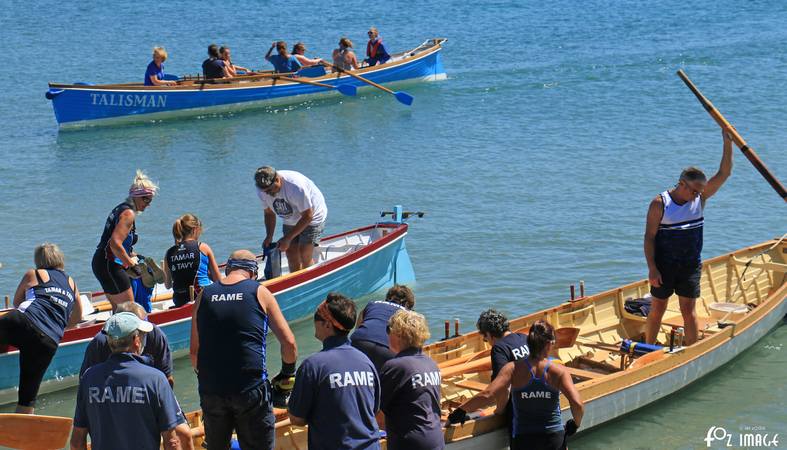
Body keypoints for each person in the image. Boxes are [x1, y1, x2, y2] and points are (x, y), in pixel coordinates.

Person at [190, 250, 298, 450]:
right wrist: (287, 374)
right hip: (250, 389)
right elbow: (289, 343)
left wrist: (209, 381)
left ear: (228, 269)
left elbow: (194, 352)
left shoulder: (204, 295)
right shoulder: (259, 291)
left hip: (212, 391)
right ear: (253, 273)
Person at [645, 130, 733, 346]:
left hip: (690, 265)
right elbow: (649, 237)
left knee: (688, 310)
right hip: (664, 266)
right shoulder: (660, 203)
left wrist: (727, 141)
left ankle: (690, 351)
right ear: (682, 184)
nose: (697, 195)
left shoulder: (699, 199)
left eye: (700, 191)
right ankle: (647, 348)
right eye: (694, 190)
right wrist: (652, 268)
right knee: (658, 309)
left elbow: (724, 173)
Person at [448, 320, 584, 450]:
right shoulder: (559, 372)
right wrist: (575, 424)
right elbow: (577, 404)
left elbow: (488, 394)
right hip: (553, 438)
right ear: (550, 344)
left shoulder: (512, 369)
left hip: (523, 439)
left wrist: (460, 411)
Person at [70, 312, 193, 450]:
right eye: (142, 335)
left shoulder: (89, 378)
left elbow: (77, 442)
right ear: (136, 340)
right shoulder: (155, 379)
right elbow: (172, 442)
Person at [288, 293, 381, 450]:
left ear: (327, 325)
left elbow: (297, 419)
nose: (314, 322)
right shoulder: (366, 362)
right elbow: (374, 409)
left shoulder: (312, 366)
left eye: (316, 318)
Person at [0, 243, 81, 413]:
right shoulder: (71, 283)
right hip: (49, 340)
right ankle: (23, 431)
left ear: (39, 261)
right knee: (27, 398)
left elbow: (17, 302)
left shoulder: (34, 274)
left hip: (23, 321)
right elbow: (75, 319)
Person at [91, 170, 158, 311]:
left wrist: (131, 255)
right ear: (136, 197)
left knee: (119, 311)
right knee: (130, 312)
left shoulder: (121, 209)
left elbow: (116, 242)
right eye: (146, 199)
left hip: (102, 263)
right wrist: (130, 266)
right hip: (110, 265)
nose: (148, 204)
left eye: (150, 200)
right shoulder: (128, 214)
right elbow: (115, 244)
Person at [379, 310, 443, 450]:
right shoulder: (431, 364)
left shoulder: (396, 366)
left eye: (389, 330)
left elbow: (374, 407)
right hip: (435, 439)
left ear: (398, 334)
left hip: (410, 443)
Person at [79, 301, 173, 386]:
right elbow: (85, 382)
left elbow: (167, 379)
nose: (143, 335)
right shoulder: (99, 343)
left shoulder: (156, 335)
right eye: (139, 331)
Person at [255, 166, 328, 272]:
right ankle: (296, 280)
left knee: (304, 254)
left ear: (277, 179)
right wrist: (269, 236)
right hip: (290, 216)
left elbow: (308, 216)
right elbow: (269, 213)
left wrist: (287, 238)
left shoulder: (295, 187)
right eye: (265, 191)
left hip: (312, 216)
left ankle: (309, 280)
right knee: (291, 254)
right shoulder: (262, 190)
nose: (268, 194)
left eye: (270, 190)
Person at [351, 285, 415, 372]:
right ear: (407, 304)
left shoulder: (372, 304)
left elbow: (358, 326)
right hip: (386, 347)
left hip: (358, 340)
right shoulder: (406, 313)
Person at [164, 214, 222, 307]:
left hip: (179, 300)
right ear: (195, 229)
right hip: (203, 297)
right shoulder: (202, 247)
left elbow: (167, 285)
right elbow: (218, 280)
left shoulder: (169, 252)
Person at [476, 309, 529, 380]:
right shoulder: (524, 337)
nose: (485, 340)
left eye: (485, 338)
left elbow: (499, 383)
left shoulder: (499, 349)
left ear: (488, 333)